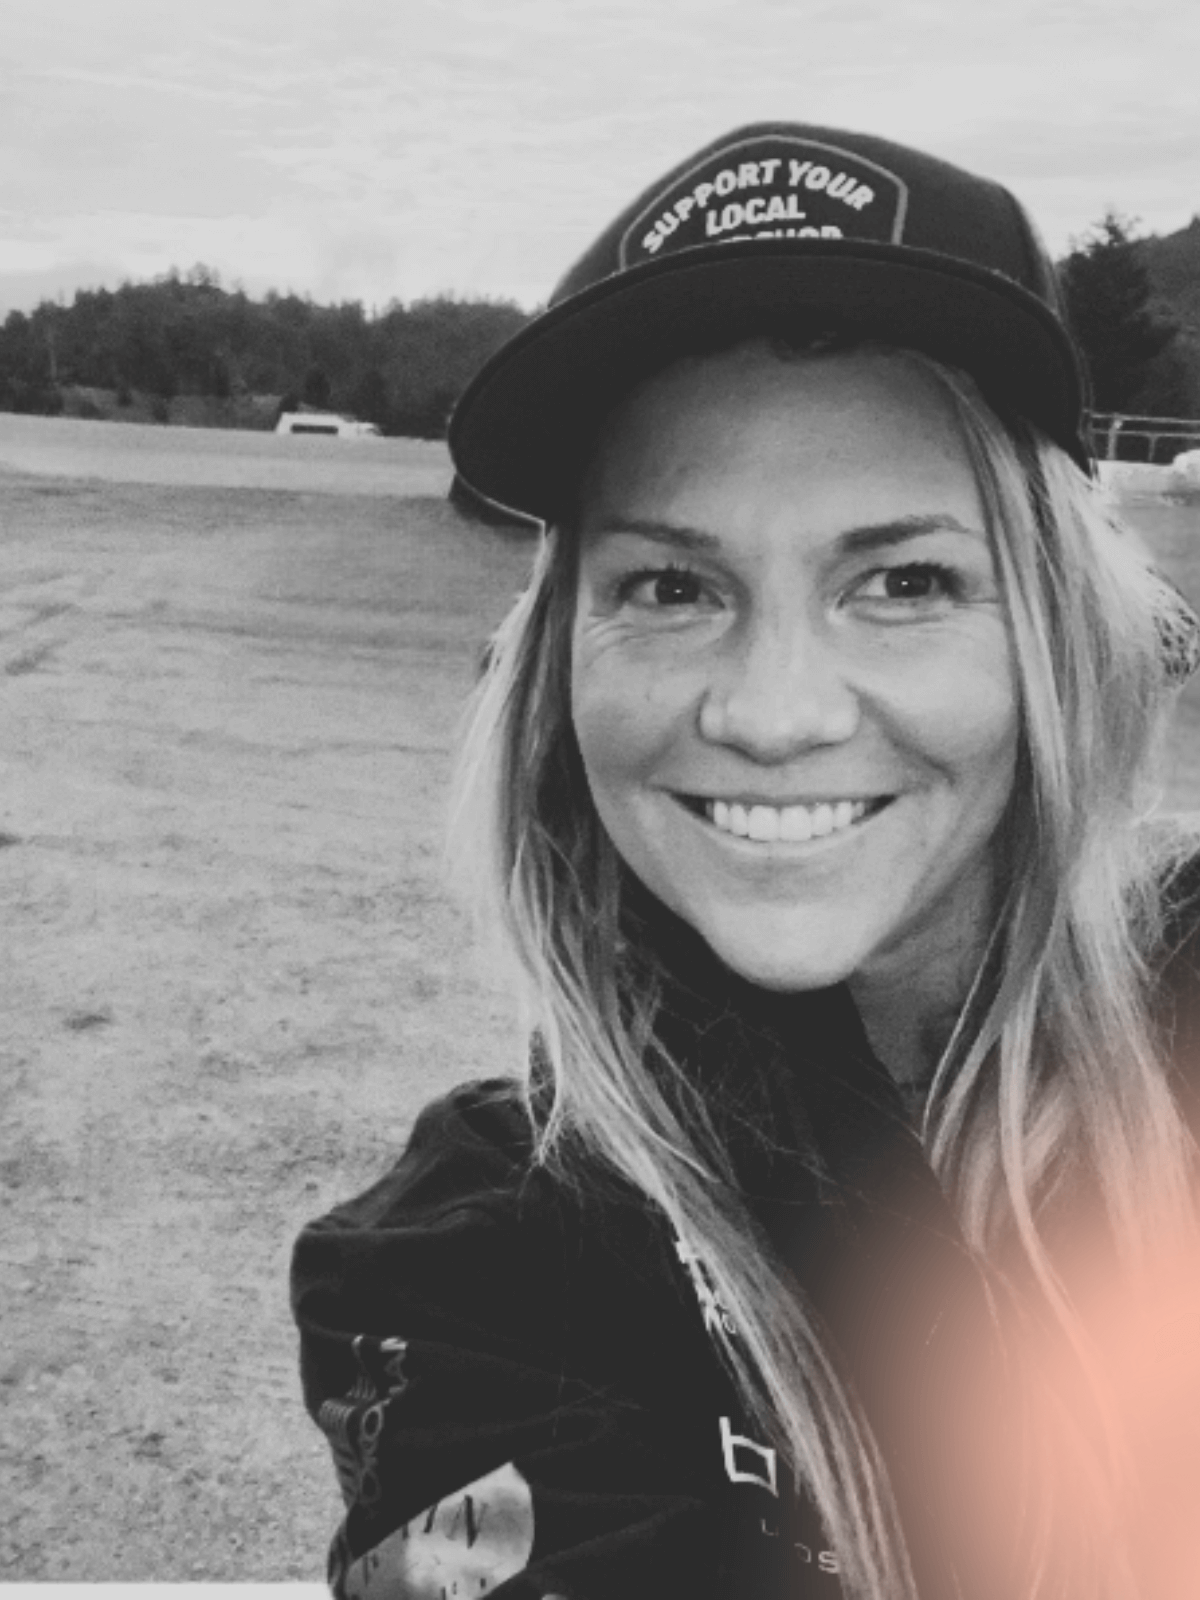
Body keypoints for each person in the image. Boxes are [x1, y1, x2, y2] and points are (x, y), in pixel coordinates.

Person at [291, 123, 1200, 1599]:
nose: (774, 716)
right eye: (669, 584)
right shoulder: (472, 1268)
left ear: (1054, 634)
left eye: (903, 582)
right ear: (558, 668)